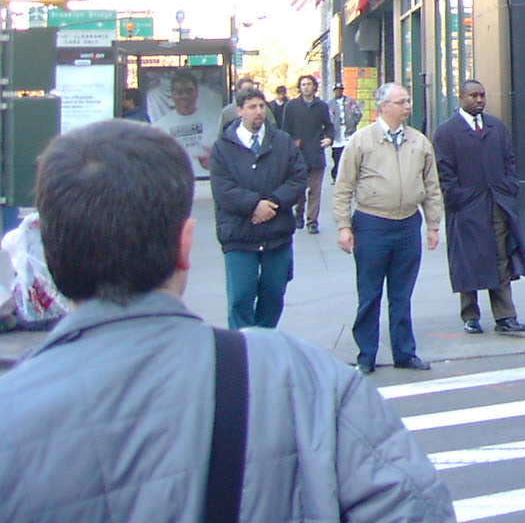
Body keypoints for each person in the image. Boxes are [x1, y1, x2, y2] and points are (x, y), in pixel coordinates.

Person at [0, 120, 453, 522]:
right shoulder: (306, 381)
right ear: (184, 246)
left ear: (48, 257)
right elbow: (413, 506)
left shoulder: (13, 411)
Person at [333, 81, 443, 373]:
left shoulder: (419, 142)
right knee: (369, 293)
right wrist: (343, 226)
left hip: (407, 225)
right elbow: (343, 186)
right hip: (372, 224)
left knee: (402, 294)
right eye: (401, 102)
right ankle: (366, 355)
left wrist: (433, 225)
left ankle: (404, 353)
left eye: (408, 101)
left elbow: (431, 186)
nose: (408, 106)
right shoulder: (362, 141)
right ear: (383, 106)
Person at [433, 79, 525, 335]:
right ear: (461, 97)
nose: (479, 100)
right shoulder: (447, 132)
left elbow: (510, 160)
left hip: (497, 204)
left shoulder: (496, 127)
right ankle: (470, 315)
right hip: (466, 207)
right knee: (468, 259)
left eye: (482, 95)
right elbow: (444, 172)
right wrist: (457, 197)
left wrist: (509, 187)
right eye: (473, 96)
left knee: (500, 258)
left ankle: (505, 316)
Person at [209, 86, 308, 328]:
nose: (259, 111)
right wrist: (254, 205)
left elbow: (297, 178)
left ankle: (264, 341)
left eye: (262, 106)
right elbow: (222, 189)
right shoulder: (223, 147)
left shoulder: (282, 142)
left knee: (273, 295)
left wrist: (272, 204)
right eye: (252, 107)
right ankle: (242, 344)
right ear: (239, 111)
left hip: (276, 235)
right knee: (241, 297)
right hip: (239, 235)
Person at [282, 74, 335, 232]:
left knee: (315, 190)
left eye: (309, 84)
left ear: (314, 87)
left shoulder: (321, 106)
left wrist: (329, 139)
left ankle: (312, 222)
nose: (306, 87)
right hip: (298, 155)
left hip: (316, 154)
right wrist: (291, 144)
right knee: (300, 189)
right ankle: (299, 214)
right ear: (299, 87)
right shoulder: (291, 106)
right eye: (303, 84)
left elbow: (329, 126)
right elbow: (285, 131)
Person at [153, 70, 216, 175]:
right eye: (179, 92)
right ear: (172, 95)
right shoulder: (159, 128)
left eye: (189, 91)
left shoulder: (214, 122)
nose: (185, 96)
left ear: (197, 93)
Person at [331, 83, 362, 177]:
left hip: (349, 133)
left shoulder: (350, 101)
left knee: (348, 155)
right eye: (336, 90)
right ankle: (336, 175)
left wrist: (353, 122)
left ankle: (348, 174)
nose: (338, 92)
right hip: (336, 134)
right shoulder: (330, 104)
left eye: (340, 90)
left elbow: (358, 113)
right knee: (337, 156)